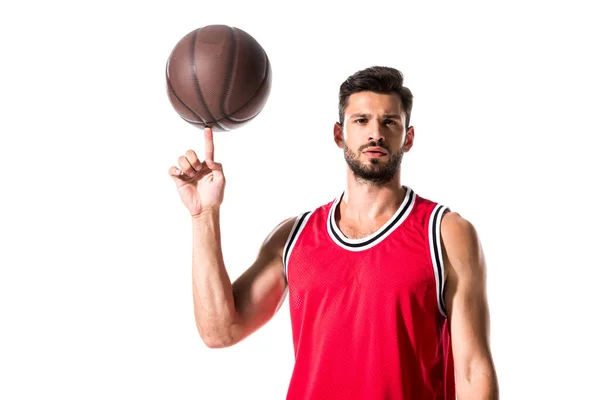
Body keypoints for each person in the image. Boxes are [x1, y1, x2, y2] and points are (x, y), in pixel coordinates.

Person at [168, 66, 499, 399]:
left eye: (390, 122)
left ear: (408, 138)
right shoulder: (294, 237)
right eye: (361, 120)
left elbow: (473, 370)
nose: (376, 134)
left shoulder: (444, 233)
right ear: (339, 135)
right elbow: (220, 331)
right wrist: (204, 215)